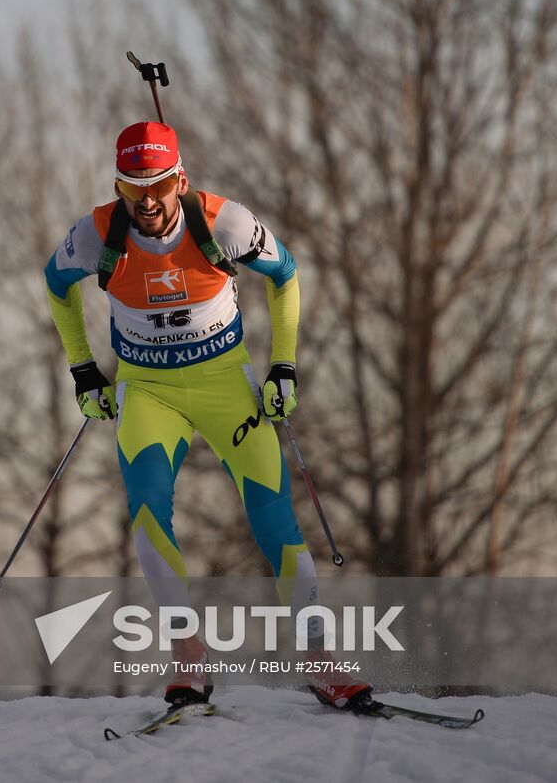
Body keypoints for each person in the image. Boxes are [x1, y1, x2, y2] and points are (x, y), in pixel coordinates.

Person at [43, 120, 370, 711]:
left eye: (160, 185)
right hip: (149, 391)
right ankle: (189, 657)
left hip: (225, 383)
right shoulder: (97, 235)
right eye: (133, 186)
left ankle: (320, 662)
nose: (147, 200)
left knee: (274, 519)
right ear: (119, 187)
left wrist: (285, 367)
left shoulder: (224, 222)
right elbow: (55, 283)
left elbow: (286, 276)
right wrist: (83, 369)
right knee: (146, 514)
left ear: (180, 180)